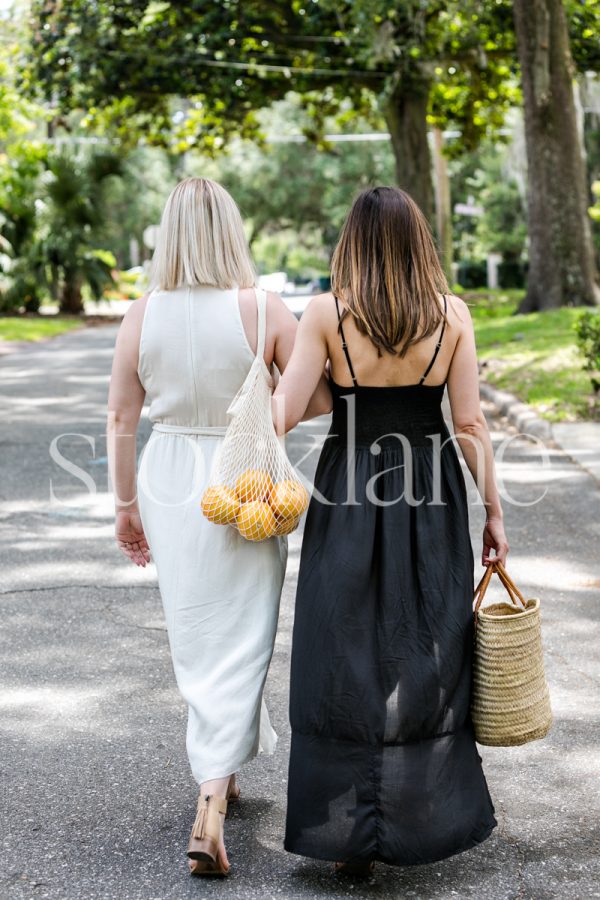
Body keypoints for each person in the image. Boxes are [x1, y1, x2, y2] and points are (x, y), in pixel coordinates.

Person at [273, 186, 508, 875]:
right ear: (417, 243)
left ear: (352, 242)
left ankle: (349, 830)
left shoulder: (325, 315)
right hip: (429, 492)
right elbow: (468, 426)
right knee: (426, 647)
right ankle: (418, 819)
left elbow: (284, 414)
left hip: (348, 493)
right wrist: (493, 509)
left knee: (343, 647)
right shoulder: (452, 316)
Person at [107, 177, 330, 877]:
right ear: (232, 232)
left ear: (169, 236)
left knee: (199, 631)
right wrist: (262, 393)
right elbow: (318, 395)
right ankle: (212, 799)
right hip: (247, 477)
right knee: (245, 633)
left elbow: (119, 418)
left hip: (171, 473)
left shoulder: (142, 315)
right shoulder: (263, 310)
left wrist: (124, 506)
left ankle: (222, 771)